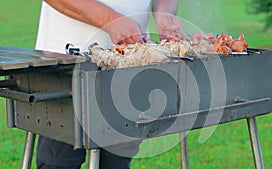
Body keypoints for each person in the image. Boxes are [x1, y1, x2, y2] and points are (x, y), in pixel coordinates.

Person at [35, 0, 183, 168]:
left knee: (117, 159)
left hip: (130, 61)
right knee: (59, 160)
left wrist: (164, 12)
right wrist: (110, 20)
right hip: (66, 60)